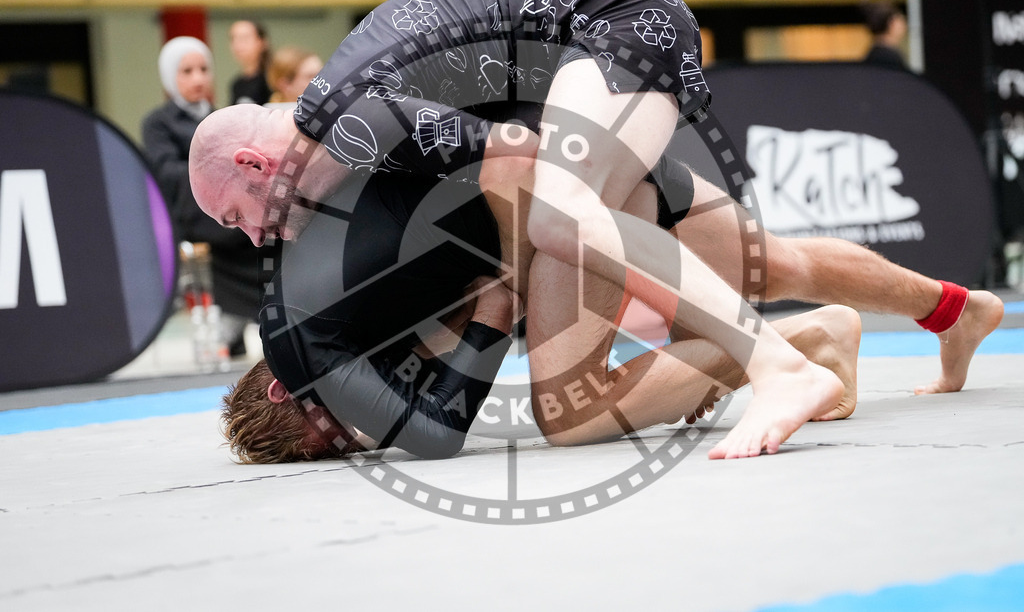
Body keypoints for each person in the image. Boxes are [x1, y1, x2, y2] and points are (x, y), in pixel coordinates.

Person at [191, 0, 1003, 459]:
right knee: (770, 262)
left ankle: (780, 362)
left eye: (237, 213)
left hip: (606, 35)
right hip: (584, 95)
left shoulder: (347, 123)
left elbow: (513, 153)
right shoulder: (342, 147)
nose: (249, 234)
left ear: (260, 164)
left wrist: (503, 286)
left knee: (558, 280)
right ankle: (951, 312)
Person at [221, 156, 862, 462]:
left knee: (571, 412)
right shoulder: (341, 316)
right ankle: (921, 316)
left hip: (557, 199)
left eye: (325, 434)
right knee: (778, 265)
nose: (350, 440)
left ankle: (802, 341)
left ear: (282, 388)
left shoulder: (317, 333)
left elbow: (494, 306)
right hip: (573, 172)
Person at [141, 36, 262, 355]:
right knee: (244, 228)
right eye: (187, 71)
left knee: (268, 224)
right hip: (193, 213)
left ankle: (252, 317)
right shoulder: (158, 123)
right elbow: (165, 171)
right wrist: (217, 172)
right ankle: (237, 318)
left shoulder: (223, 116)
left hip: (231, 206)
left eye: (203, 69)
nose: (197, 78)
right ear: (170, 77)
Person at [228, 19, 272, 105]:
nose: (237, 44)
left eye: (244, 38)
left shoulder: (272, 80)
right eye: (233, 38)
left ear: (262, 42)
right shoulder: (237, 84)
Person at [861, 1, 908, 70]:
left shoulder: (874, 53)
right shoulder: (888, 57)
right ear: (891, 24)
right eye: (900, 20)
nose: (905, 25)